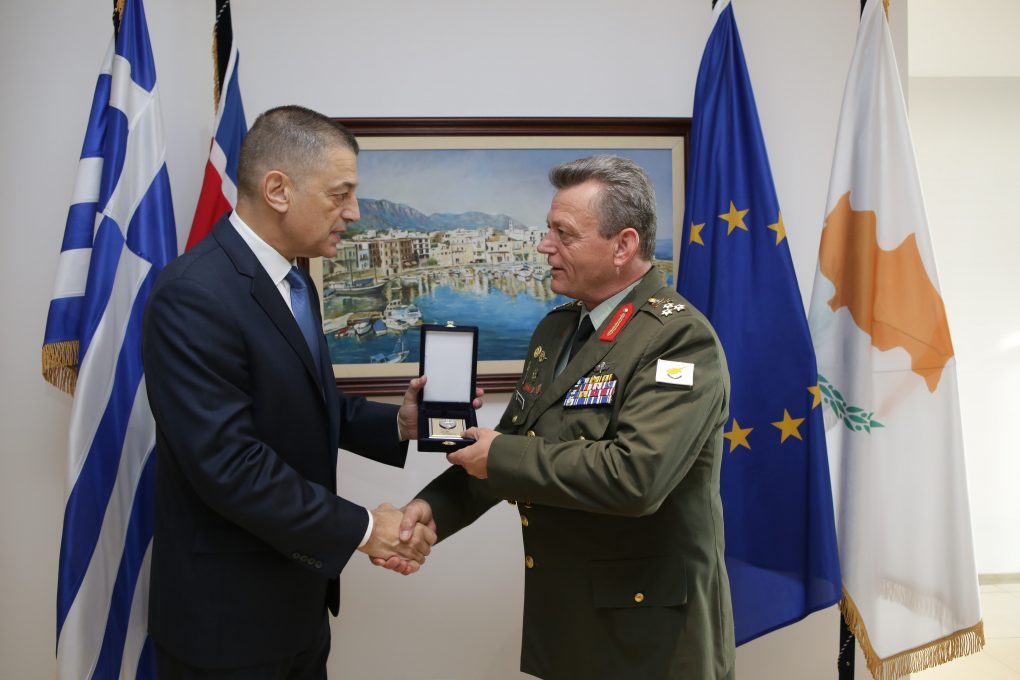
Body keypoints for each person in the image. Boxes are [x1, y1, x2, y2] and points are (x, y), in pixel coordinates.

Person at [142, 105, 477, 678]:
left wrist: (398, 423)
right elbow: (229, 465)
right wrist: (367, 529)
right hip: (226, 624)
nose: (354, 213)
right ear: (278, 190)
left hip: (298, 608)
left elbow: (307, 404)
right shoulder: (193, 295)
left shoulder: (295, 281)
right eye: (340, 195)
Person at [382, 155, 736, 679]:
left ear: (623, 245)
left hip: (649, 638)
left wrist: (500, 454)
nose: (544, 245)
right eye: (548, 229)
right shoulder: (558, 328)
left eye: (563, 234)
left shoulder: (678, 339)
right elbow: (514, 442)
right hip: (569, 621)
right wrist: (432, 510)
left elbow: (636, 477)